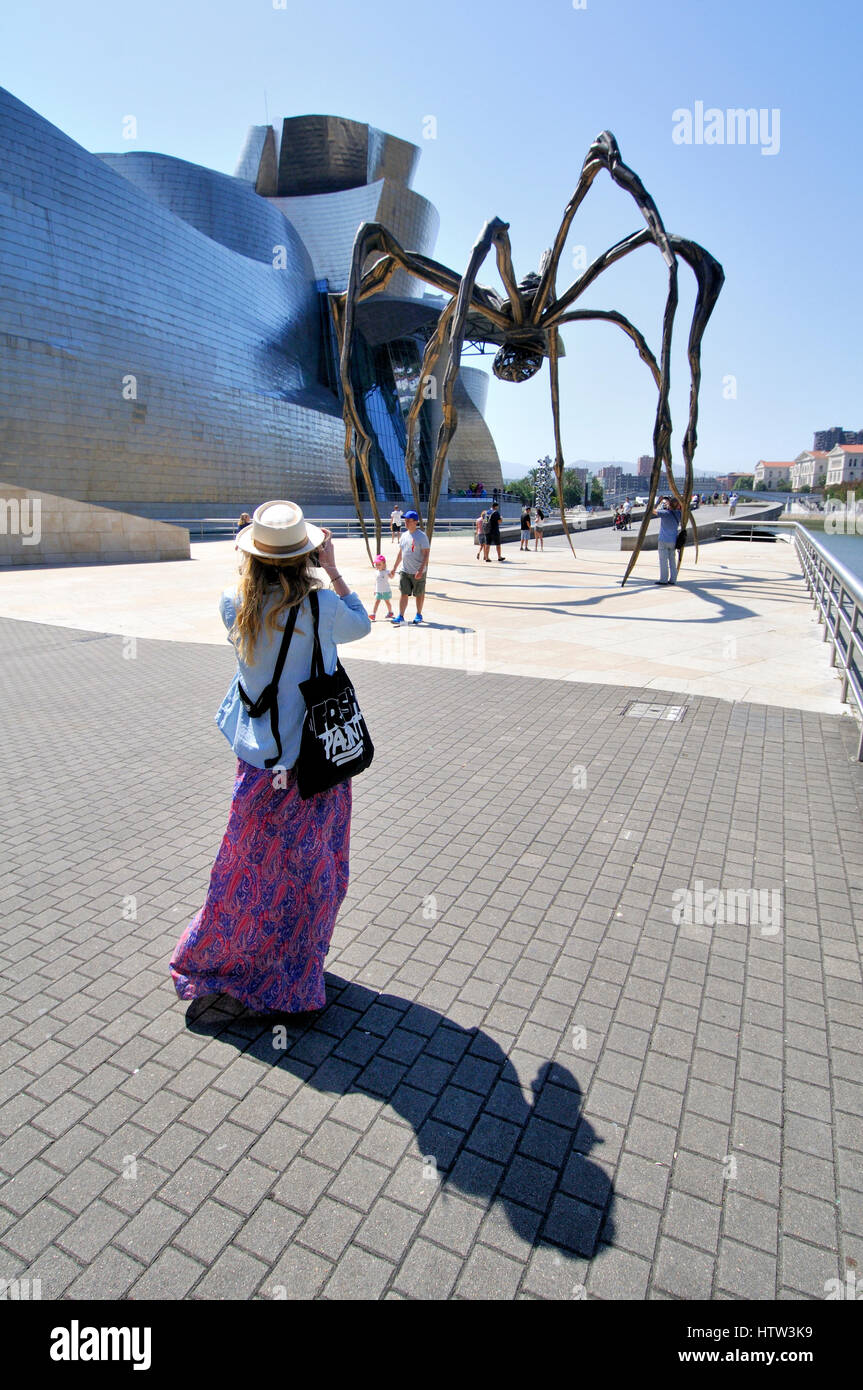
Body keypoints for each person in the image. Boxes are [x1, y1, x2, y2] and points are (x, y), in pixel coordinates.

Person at [170, 501, 370, 1016]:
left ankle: (225, 957)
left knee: (245, 870)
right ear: (305, 553)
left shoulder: (231, 603)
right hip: (315, 764)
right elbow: (362, 624)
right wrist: (332, 568)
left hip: (261, 764)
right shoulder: (323, 608)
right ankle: (295, 979)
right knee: (313, 872)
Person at [390, 509, 430, 624]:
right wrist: (394, 568)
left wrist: (421, 570)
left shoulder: (422, 536)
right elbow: (401, 553)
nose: (406, 522)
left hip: (418, 571)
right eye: (405, 520)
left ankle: (418, 614)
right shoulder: (404, 535)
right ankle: (401, 616)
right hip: (405, 570)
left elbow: (426, 554)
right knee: (403, 593)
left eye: (409, 520)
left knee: (419, 594)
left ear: (415, 522)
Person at [653, 494, 682, 585]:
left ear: (669, 504)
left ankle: (664, 579)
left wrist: (658, 502)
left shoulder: (664, 513)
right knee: (672, 561)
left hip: (663, 540)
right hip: (673, 540)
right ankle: (673, 579)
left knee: (663, 561)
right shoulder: (679, 514)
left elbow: (651, 510)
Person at [369, 553, 393, 620]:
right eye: (376, 564)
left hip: (386, 591)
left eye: (379, 564)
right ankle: (373, 614)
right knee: (376, 602)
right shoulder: (376, 572)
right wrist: (375, 590)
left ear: (384, 564)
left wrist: (392, 573)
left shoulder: (386, 572)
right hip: (378, 591)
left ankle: (390, 612)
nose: (377, 566)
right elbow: (376, 582)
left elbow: (391, 577)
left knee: (387, 602)